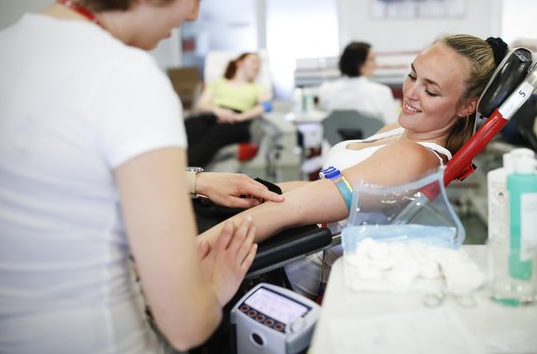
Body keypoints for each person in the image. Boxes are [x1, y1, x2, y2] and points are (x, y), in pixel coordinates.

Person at [0, 0, 284, 352]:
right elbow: (185, 324)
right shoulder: (127, 77)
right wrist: (215, 288)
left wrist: (193, 180)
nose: (192, 15)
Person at [199, 33, 500, 297]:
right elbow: (323, 188)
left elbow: (290, 209)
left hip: (292, 268)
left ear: (466, 106)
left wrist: (190, 254)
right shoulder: (400, 129)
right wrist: (257, 189)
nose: (410, 92)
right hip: (290, 235)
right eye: (412, 76)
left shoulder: (413, 156)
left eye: (431, 90)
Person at [185, 52, 272, 167]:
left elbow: (267, 106)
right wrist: (217, 110)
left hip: (237, 122)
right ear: (239, 63)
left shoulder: (256, 88)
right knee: (190, 125)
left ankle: (185, 172)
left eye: (259, 63)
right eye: (253, 61)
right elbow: (200, 105)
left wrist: (239, 117)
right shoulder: (218, 83)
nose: (257, 66)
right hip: (214, 114)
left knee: (216, 134)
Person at [318, 41, 399, 125]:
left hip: (339, 138)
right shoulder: (381, 92)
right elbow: (391, 125)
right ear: (359, 63)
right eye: (371, 59)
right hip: (373, 138)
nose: (375, 64)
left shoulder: (327, 90)